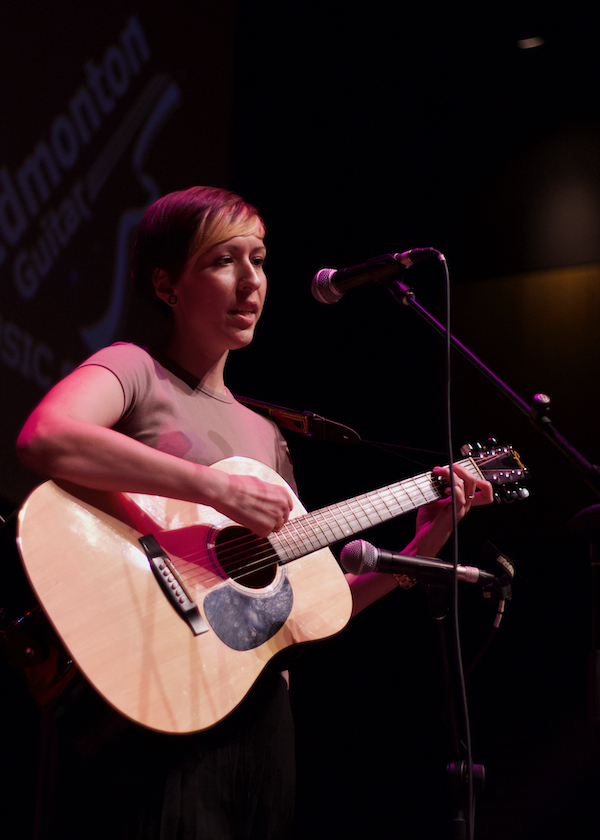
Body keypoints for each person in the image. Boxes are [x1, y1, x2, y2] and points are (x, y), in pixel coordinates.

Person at [16, 185, 493, 839]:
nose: (250, 281)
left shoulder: (267, 437)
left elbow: (310, 608)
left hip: (253, 711)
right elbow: (47, 437)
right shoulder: (132, 369)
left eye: (260, 259)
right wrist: (214, 490)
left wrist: (428, 539)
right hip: (150, 687)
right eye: (222, 261)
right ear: (167, 284)